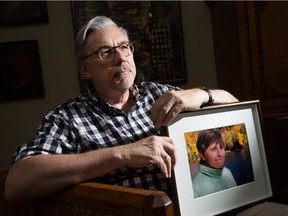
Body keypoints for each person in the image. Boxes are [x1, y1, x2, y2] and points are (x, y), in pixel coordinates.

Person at [4, 16, 238, 202]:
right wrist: (123, 154)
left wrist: (199, 94)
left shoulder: (161, 94)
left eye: (124, 47)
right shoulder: (67, 118)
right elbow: (17, 183)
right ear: (84, 69)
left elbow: (236, 107)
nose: (120, 58)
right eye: (105, 52)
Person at [192, 129, 237, 198]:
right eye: (213, 149)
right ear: (202, 155)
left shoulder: (227, 172)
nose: (220, 154)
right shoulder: (194, 188)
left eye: (221, 148)